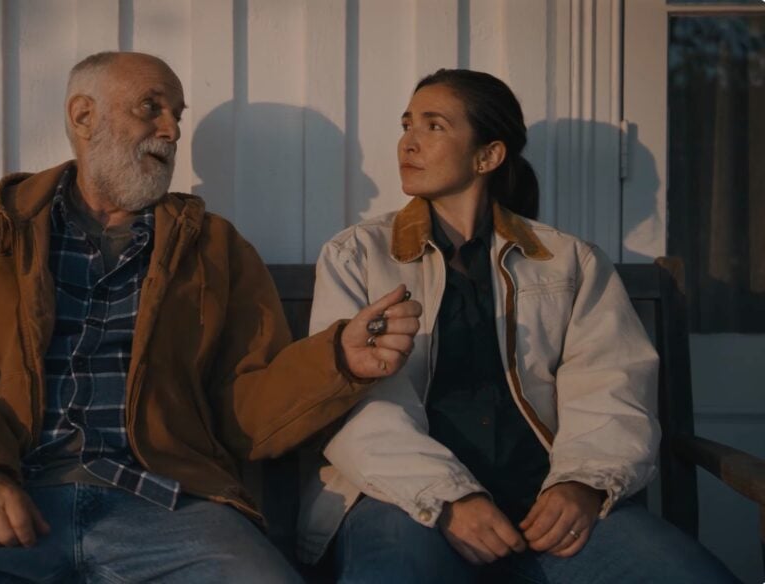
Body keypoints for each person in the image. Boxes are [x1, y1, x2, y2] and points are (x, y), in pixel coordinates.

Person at [0, 51, 421, 583]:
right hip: (10, 496)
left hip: (169, 505)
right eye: (152, 108)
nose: (170, 129)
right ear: (83, 116)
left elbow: (246, 407)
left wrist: (337, 360)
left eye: (176, 114)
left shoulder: (215, 249)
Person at [297, 68, 739, 583]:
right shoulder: (357, 255)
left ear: (488, 156)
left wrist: (582, 485)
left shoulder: (569, 261)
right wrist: (450, 497)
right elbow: (354, 405)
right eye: (406, 123)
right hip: (406, 501)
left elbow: (612, 388)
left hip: (543, 507)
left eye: (434, 126)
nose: (408, 142)